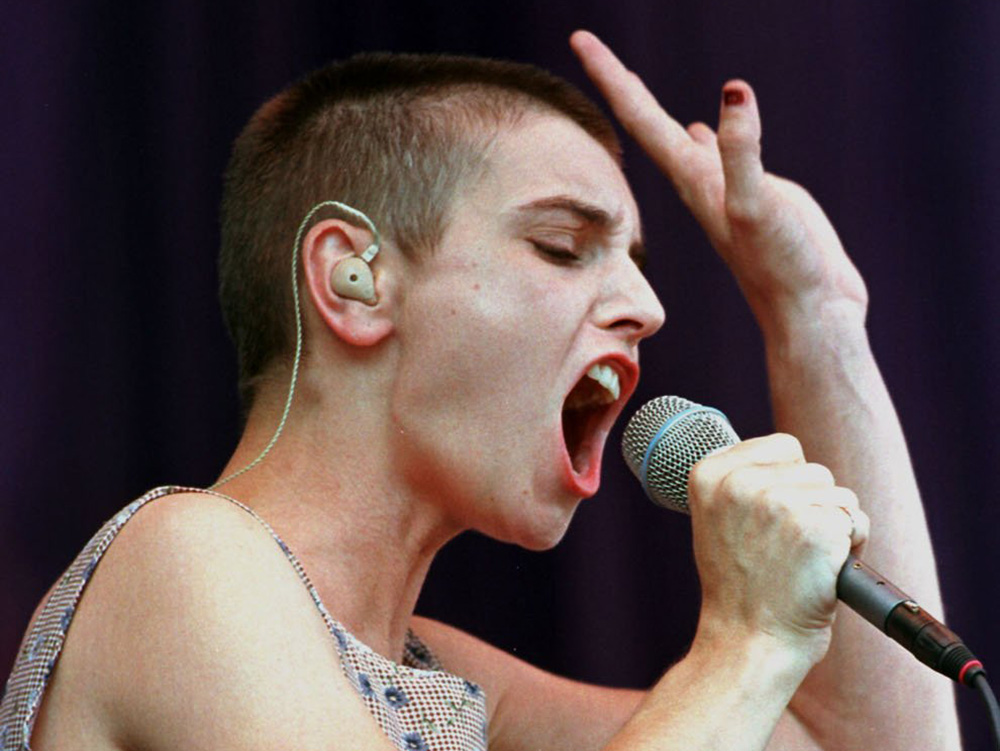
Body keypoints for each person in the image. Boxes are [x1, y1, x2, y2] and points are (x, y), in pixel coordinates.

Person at [1, 29, 960, 751]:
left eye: (632, 260)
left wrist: (816, 315)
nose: (648, 307)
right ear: (353, 278)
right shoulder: (181, 558)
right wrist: (742, 643)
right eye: (563, 246)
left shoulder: (439, 679)